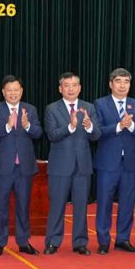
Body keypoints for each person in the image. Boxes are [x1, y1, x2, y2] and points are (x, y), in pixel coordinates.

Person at [93, 68, 135, 253]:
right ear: (111, 84)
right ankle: (103, 241)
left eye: (126, 82)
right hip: (107, 163)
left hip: (130, 163)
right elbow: (97, 131)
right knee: (104, 202)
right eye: (118, 81)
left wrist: (131, 125)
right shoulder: (100, 104)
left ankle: (123, 239)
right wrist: (118, 126)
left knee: (127, 203)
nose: (122, 85)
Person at [44, 72, 98, 255]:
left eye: (74, 85)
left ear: (80, 88)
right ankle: (52, 242)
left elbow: (96, 135)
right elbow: (52, 135)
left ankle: (80, 242)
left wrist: (89, 126)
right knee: (57, 206)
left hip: (83, 165)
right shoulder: (52, 109)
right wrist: (71, 127)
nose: (71, 89)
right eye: (66, 85)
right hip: (60, 166)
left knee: (81, 207)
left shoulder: (88, 108)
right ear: (60, 89)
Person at [0, 75, 43, 256]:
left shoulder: (30, 109)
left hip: (24, 167)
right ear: (3, 92)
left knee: (23, 206)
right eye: (9, 90)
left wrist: (27, 126)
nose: (13, 93)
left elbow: (38, 133)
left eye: (16, 90)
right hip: (3, 167)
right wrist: (7, 126)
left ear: (21, 91)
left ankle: (23, 241)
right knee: (0, 207)